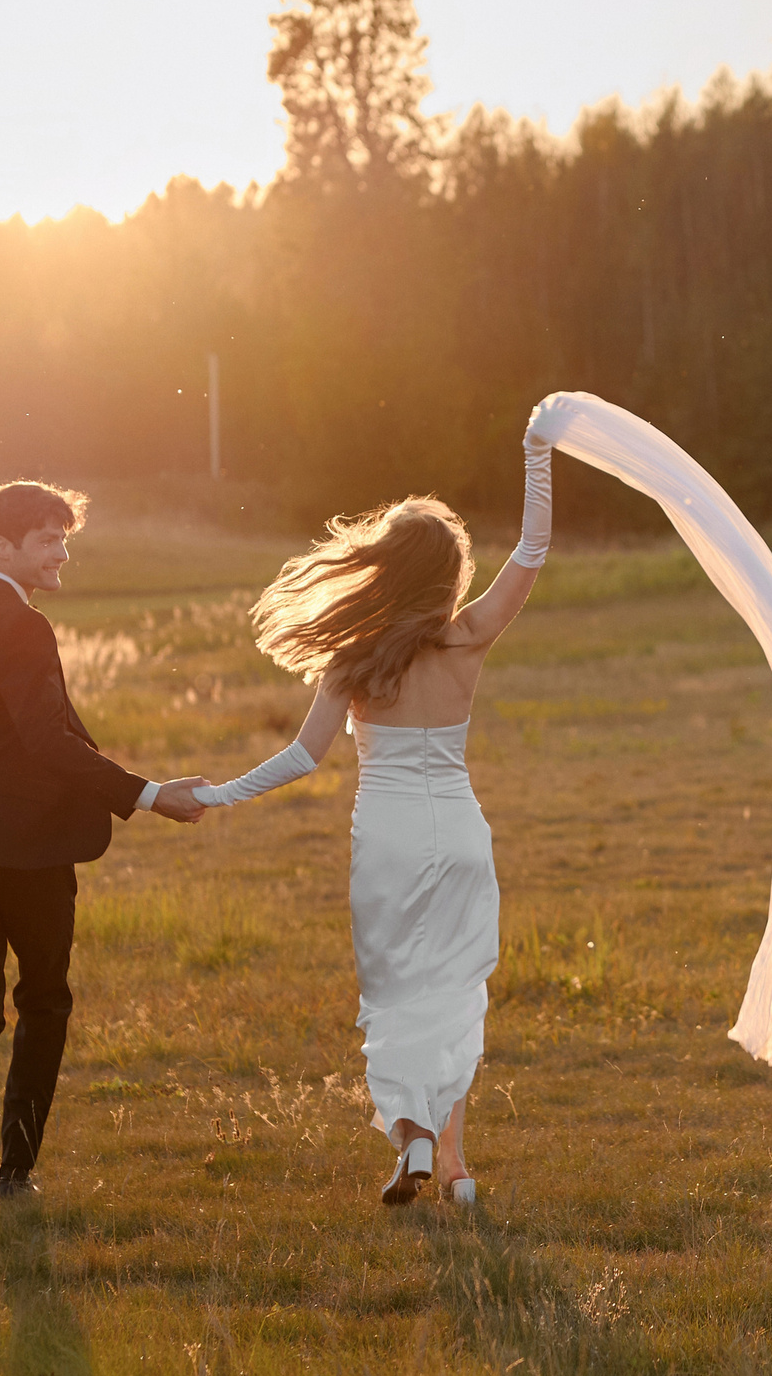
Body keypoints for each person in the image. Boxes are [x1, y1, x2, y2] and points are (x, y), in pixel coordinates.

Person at [191, 409, 556, 1205]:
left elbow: (301, 756)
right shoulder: (468, 638)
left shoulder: (353, 656)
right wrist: (535, 452)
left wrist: (216, 792)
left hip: (387, 838)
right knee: (455, 993)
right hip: (458, 830)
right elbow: (531, 552)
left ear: (381, 569)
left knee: (396, 996)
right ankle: (452, 1162)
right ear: (450, 572)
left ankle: (418, 1141)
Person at [0, 480, 210, 1217]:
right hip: (25, 850)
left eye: (65, 537)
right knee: (44, 1000)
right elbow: (45, 740)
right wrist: (150, 793)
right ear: (0, 544)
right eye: (48, 539)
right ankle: (15, 1173)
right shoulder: (24, 627)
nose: (63, 553)